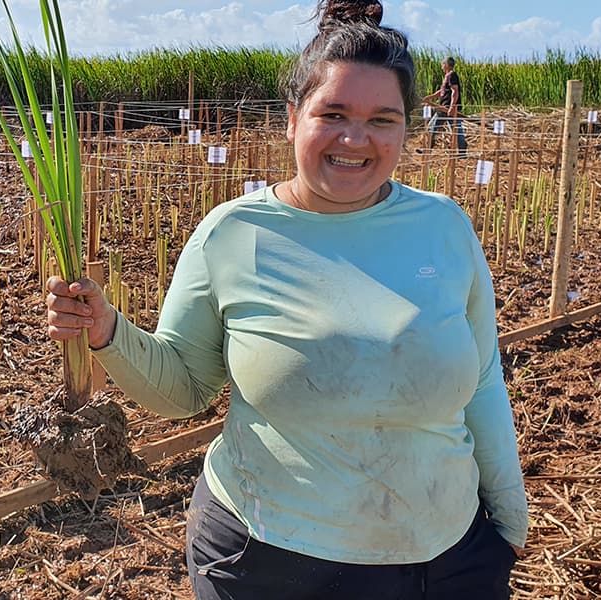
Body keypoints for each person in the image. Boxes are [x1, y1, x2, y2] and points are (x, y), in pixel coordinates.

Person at [45, 1, 528, 598]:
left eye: (383, 119)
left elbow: (482, 380)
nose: (356, 139)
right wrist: (106, 331)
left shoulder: (444, 226)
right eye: (333, 113)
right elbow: (182, 391)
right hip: (270, 559)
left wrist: (509, 519)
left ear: (406, 127)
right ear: (294, 117)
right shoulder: (233, 234)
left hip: (445, 555)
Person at [422, 56, 468, 156]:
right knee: (453, 129)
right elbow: (442, 91)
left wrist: (452, 107)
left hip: (447, 108)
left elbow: (455, 91)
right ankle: (462, 151)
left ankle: (428, 149)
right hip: (444, 107)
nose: (442, 67)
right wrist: (430, 97)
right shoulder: (447, 76)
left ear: (446, 65)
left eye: (443, 65)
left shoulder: (452, 75)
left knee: (434, 128)